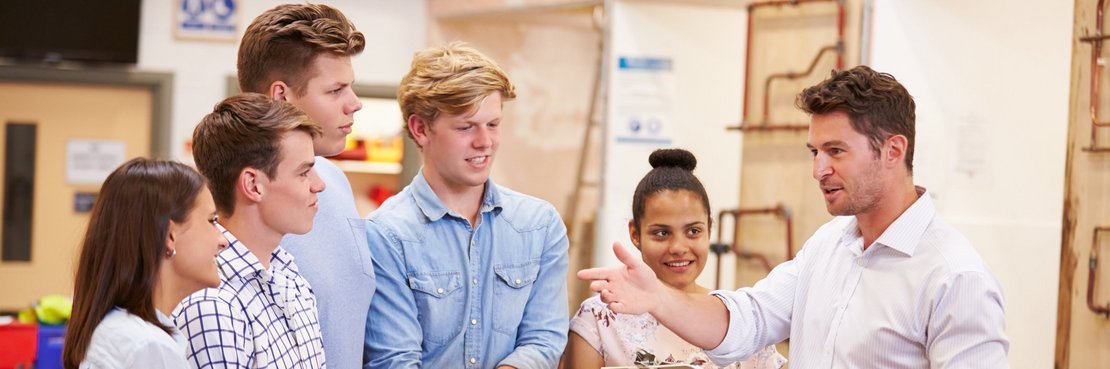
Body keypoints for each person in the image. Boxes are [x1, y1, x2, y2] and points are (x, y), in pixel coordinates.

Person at [578, 66, 1010, 368]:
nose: (818, 170)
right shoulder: (828, 245)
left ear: (893, 151)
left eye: (836, 151)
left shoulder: (955, 278)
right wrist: (657, 298)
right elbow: (747, 320)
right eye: (814, 152)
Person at [364, 42, 569, 368]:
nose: (485, 142)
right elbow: (395, 360)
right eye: (465, 127)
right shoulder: (386, 235)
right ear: (420, 129)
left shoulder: (539, 225)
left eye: (493, 124)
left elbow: (544, 338)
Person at [236, 5, 373, 368]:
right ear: (281, 96)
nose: (354, 104)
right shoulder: (221, 201)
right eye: (335, 90)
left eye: (351, 87)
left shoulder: (333, 181)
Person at [564, 148, 786, 369]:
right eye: (661, 233)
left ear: (709, 228)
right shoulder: (599, 319)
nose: (679, 248)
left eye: (693, 231)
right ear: (635, 234)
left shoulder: (740, 319)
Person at [175, 93, 327, 368]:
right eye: (304, 172)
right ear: (254, 185)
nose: (319, 185)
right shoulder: (212, 304)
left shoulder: (288, 274)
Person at [63, 158, 228, 369]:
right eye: (212, 221)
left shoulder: (119, 331)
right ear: (170, 236)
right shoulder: (149, 348)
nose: (222, 240)